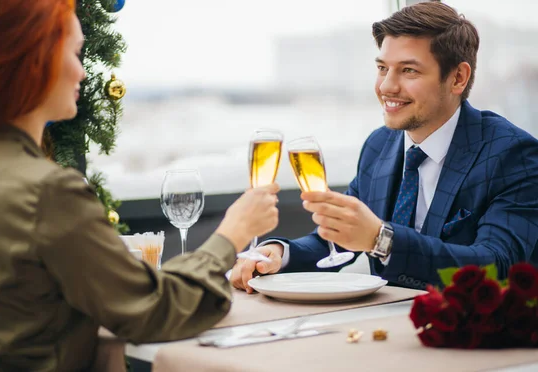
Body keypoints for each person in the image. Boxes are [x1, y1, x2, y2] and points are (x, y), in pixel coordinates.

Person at [0, 0, 280, 370]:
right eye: (73, 53)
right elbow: (154, 311)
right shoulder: (47, 192)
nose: (82, 73)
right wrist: (232, 234)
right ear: (33, 63)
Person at [231, 1, 538, 293]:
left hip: (475, 335)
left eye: (409, 71)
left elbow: (496, 265)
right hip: (386, 328)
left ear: (458, 78)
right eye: (382, 68)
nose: (386, 86)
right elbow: (342, 236)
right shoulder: (379, 145)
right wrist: (278, 253)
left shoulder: (514, 155)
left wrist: (382, 240)